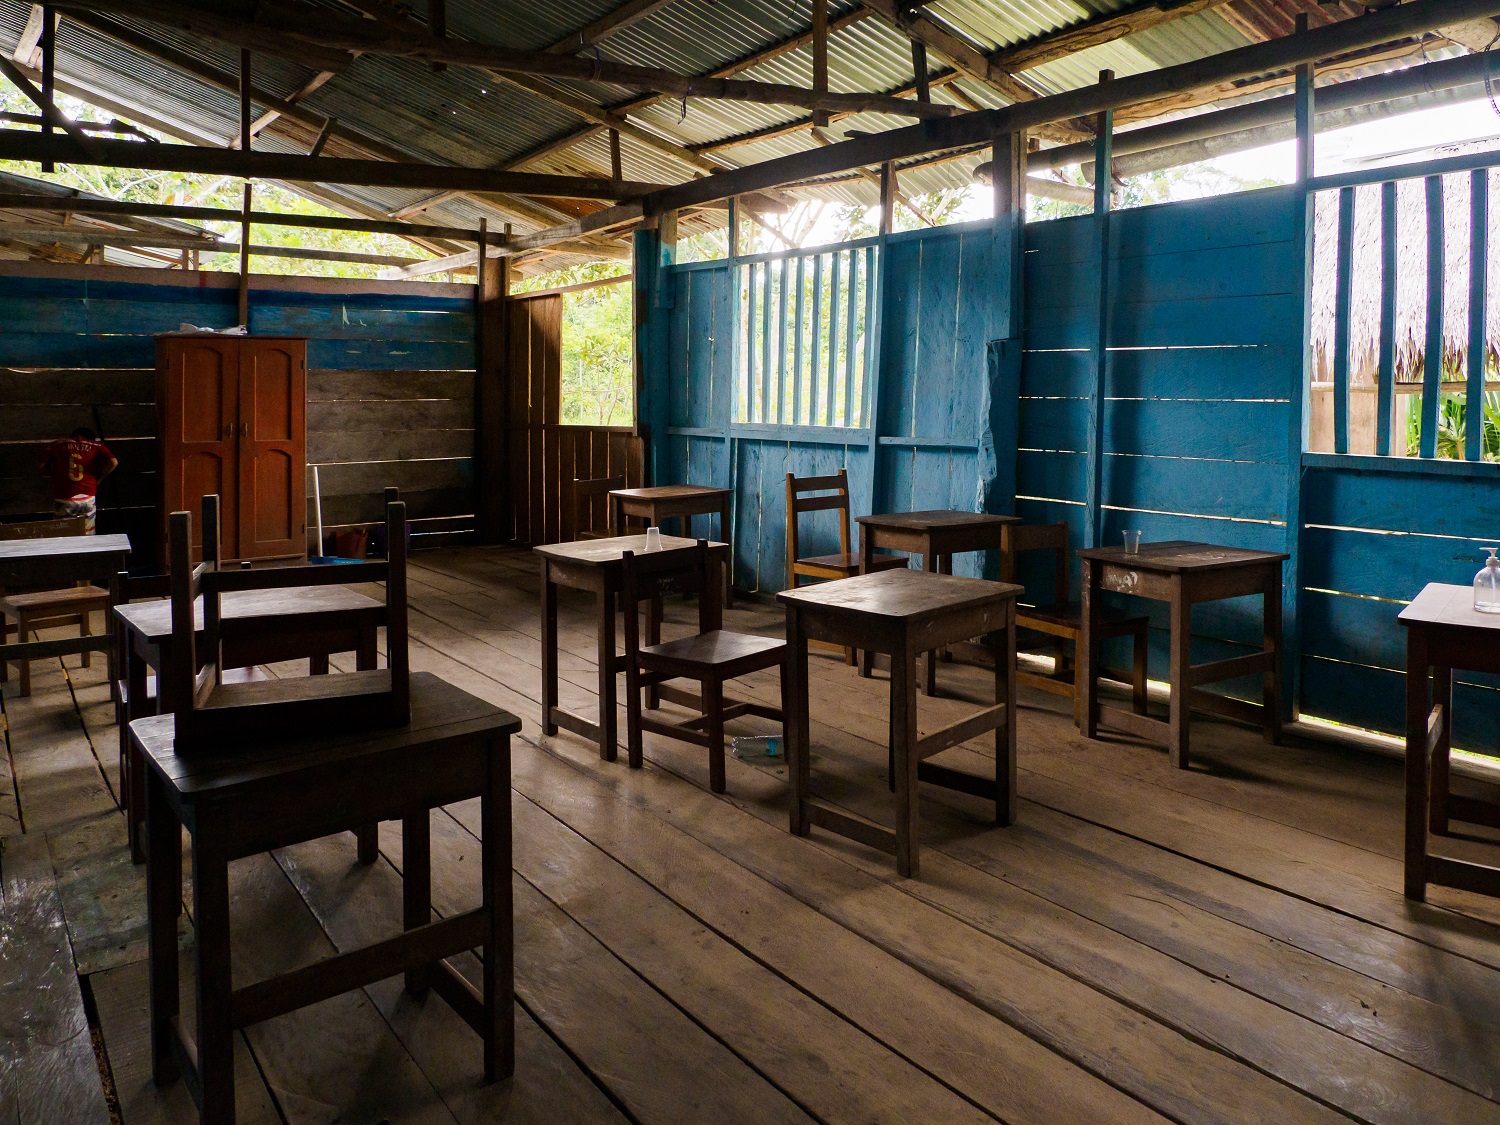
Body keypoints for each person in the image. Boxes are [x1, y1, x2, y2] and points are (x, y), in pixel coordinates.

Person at [40, 427, 117, 534]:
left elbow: (41, 465)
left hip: (65, 496)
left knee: (63, 534)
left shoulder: (57, 444)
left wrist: (54, 477)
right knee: (88, 532)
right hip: (88, 495)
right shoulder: (96, 446)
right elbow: (113, 461)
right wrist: (99, 479)